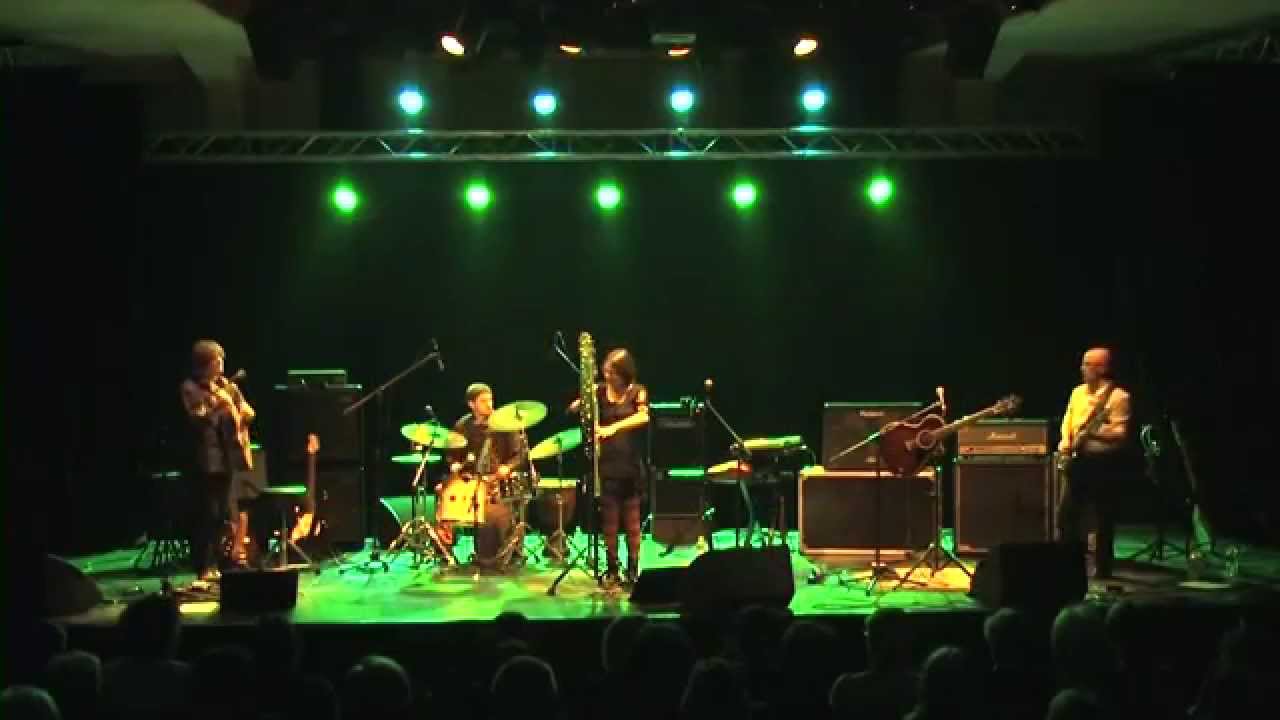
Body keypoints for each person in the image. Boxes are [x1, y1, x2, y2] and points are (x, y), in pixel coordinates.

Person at [572, 348, 650, 586]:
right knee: (610, 522)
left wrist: (613, 428)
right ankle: (612, 567)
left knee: (633, 522)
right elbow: (577, 407)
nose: (608, 377)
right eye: (606, 372)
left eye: (613, 373)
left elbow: (644, 416)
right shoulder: (598, 392)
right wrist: (579, 405)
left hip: (630, 466)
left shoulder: (637, 391)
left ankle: (633, 567)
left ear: (624, 373)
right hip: (605, 466)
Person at [180, 339, 254, 580]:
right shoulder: (190, 388)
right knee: (207, 514)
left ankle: (223, 563)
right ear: (205, 364)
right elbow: (195, 418)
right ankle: (203, 565)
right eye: (216, 359)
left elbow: (249, 411)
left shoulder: (226, 386)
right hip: (206, 459)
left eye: (222, 358)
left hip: (227, 458)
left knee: (223, 513)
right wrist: (215, 404)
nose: (221, 363)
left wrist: (241, 413)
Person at [1056, 347, 1132, 578]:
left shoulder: (1118, 397)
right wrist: (1066, 443)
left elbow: (1120, 433)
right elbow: (1068, 420)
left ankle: (1103, 569)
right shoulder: (1077, 393)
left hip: (1103, 463)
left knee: (1103, 517)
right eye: (1083, 363)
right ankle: (1069, 565)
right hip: (1078, 462)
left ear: (1103, 369)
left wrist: (1093, 433)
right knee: (1067, 516)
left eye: (1088, 364)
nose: (1083, 368)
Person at [438, 383, 522, 567]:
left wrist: (507, 467)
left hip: (496, 480)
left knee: (490, 510)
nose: (489, 404)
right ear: (471, 404)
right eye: (483, 401)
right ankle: (445, 551)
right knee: (443, 494)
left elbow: (520, 454)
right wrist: (454, 464)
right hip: (469, 479)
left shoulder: (505, 424)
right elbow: (451, 453)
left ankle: (490, 555)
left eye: (490, 400)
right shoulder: (462, 425)